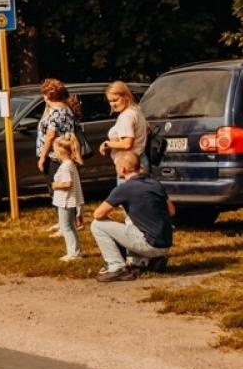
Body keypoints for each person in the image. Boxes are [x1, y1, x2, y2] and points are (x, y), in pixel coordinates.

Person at [91, 149, 174, 281]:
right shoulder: (155, 183)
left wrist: (111, 222)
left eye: (116, 166)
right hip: (165, 243)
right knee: (130, 221)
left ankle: (116, 267)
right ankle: (146, 262)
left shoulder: (124, 188)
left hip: (149, 244)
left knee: (97, 225)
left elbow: (98, 214)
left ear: (123, 169)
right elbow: (171, 211)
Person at [98, 81, 150, 174]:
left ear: (126, 96)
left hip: (129, 165)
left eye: (115, 100)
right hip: (141, 160)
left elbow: (127, 144)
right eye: (110, 101)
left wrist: (107, 144)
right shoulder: (136, 111)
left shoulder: (126, 116)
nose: (113, 104)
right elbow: (148, 129)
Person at [50, 132, 85, 262]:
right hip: (70, 200)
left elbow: (67, 183)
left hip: (65, 201)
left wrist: (55, 185)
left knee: (66, 227)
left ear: (61, 151)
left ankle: (73, 253)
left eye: (55, 150)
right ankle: (76, 251)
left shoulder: (65, 167)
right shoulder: (71, 164)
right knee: (70, 226)